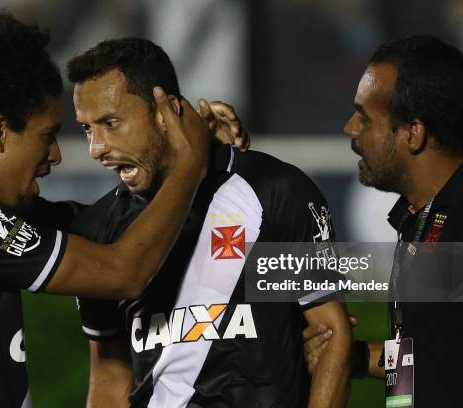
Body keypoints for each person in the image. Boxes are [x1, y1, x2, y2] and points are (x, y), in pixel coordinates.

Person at [0, 12, 217, 408]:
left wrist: (197, 165)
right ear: (0, 131)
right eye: (46, 136)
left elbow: (105, 224)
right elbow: (124, 272)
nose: (55, 155)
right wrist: (190, 165)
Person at [67, 38, 352, 408]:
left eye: (111, 123)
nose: (96, 148)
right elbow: (109, 373)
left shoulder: (273, 191)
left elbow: (332, 337)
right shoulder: (99, 229)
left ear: (166, 111)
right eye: (88, 129)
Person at [303, 35, 463, 407]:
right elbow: (440, 359)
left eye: (364, 117)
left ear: (413, 132)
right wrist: (354, 356)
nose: (350, 129)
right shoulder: (423, 218)